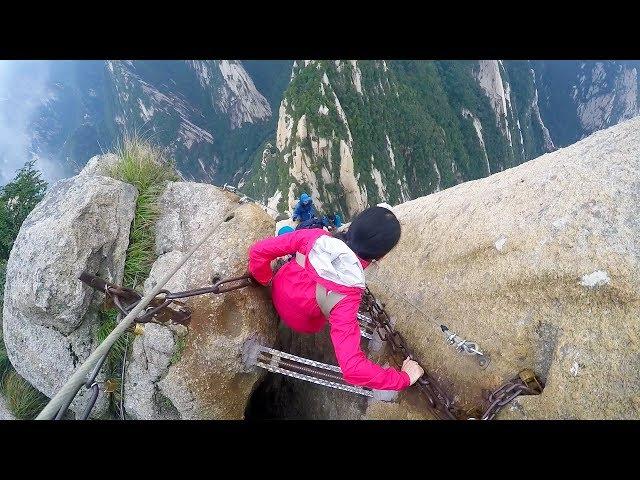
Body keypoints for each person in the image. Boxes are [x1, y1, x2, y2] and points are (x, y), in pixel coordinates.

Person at [247, 206, 424, 391]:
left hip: (278, 287)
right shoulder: (348, 296)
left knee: (287, 233)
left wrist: (265, 279)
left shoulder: (313, 237)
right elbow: (352, 369)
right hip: (301, 323)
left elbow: (258, 251)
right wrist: (404, 378)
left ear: (352, 226)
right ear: (380, 257)